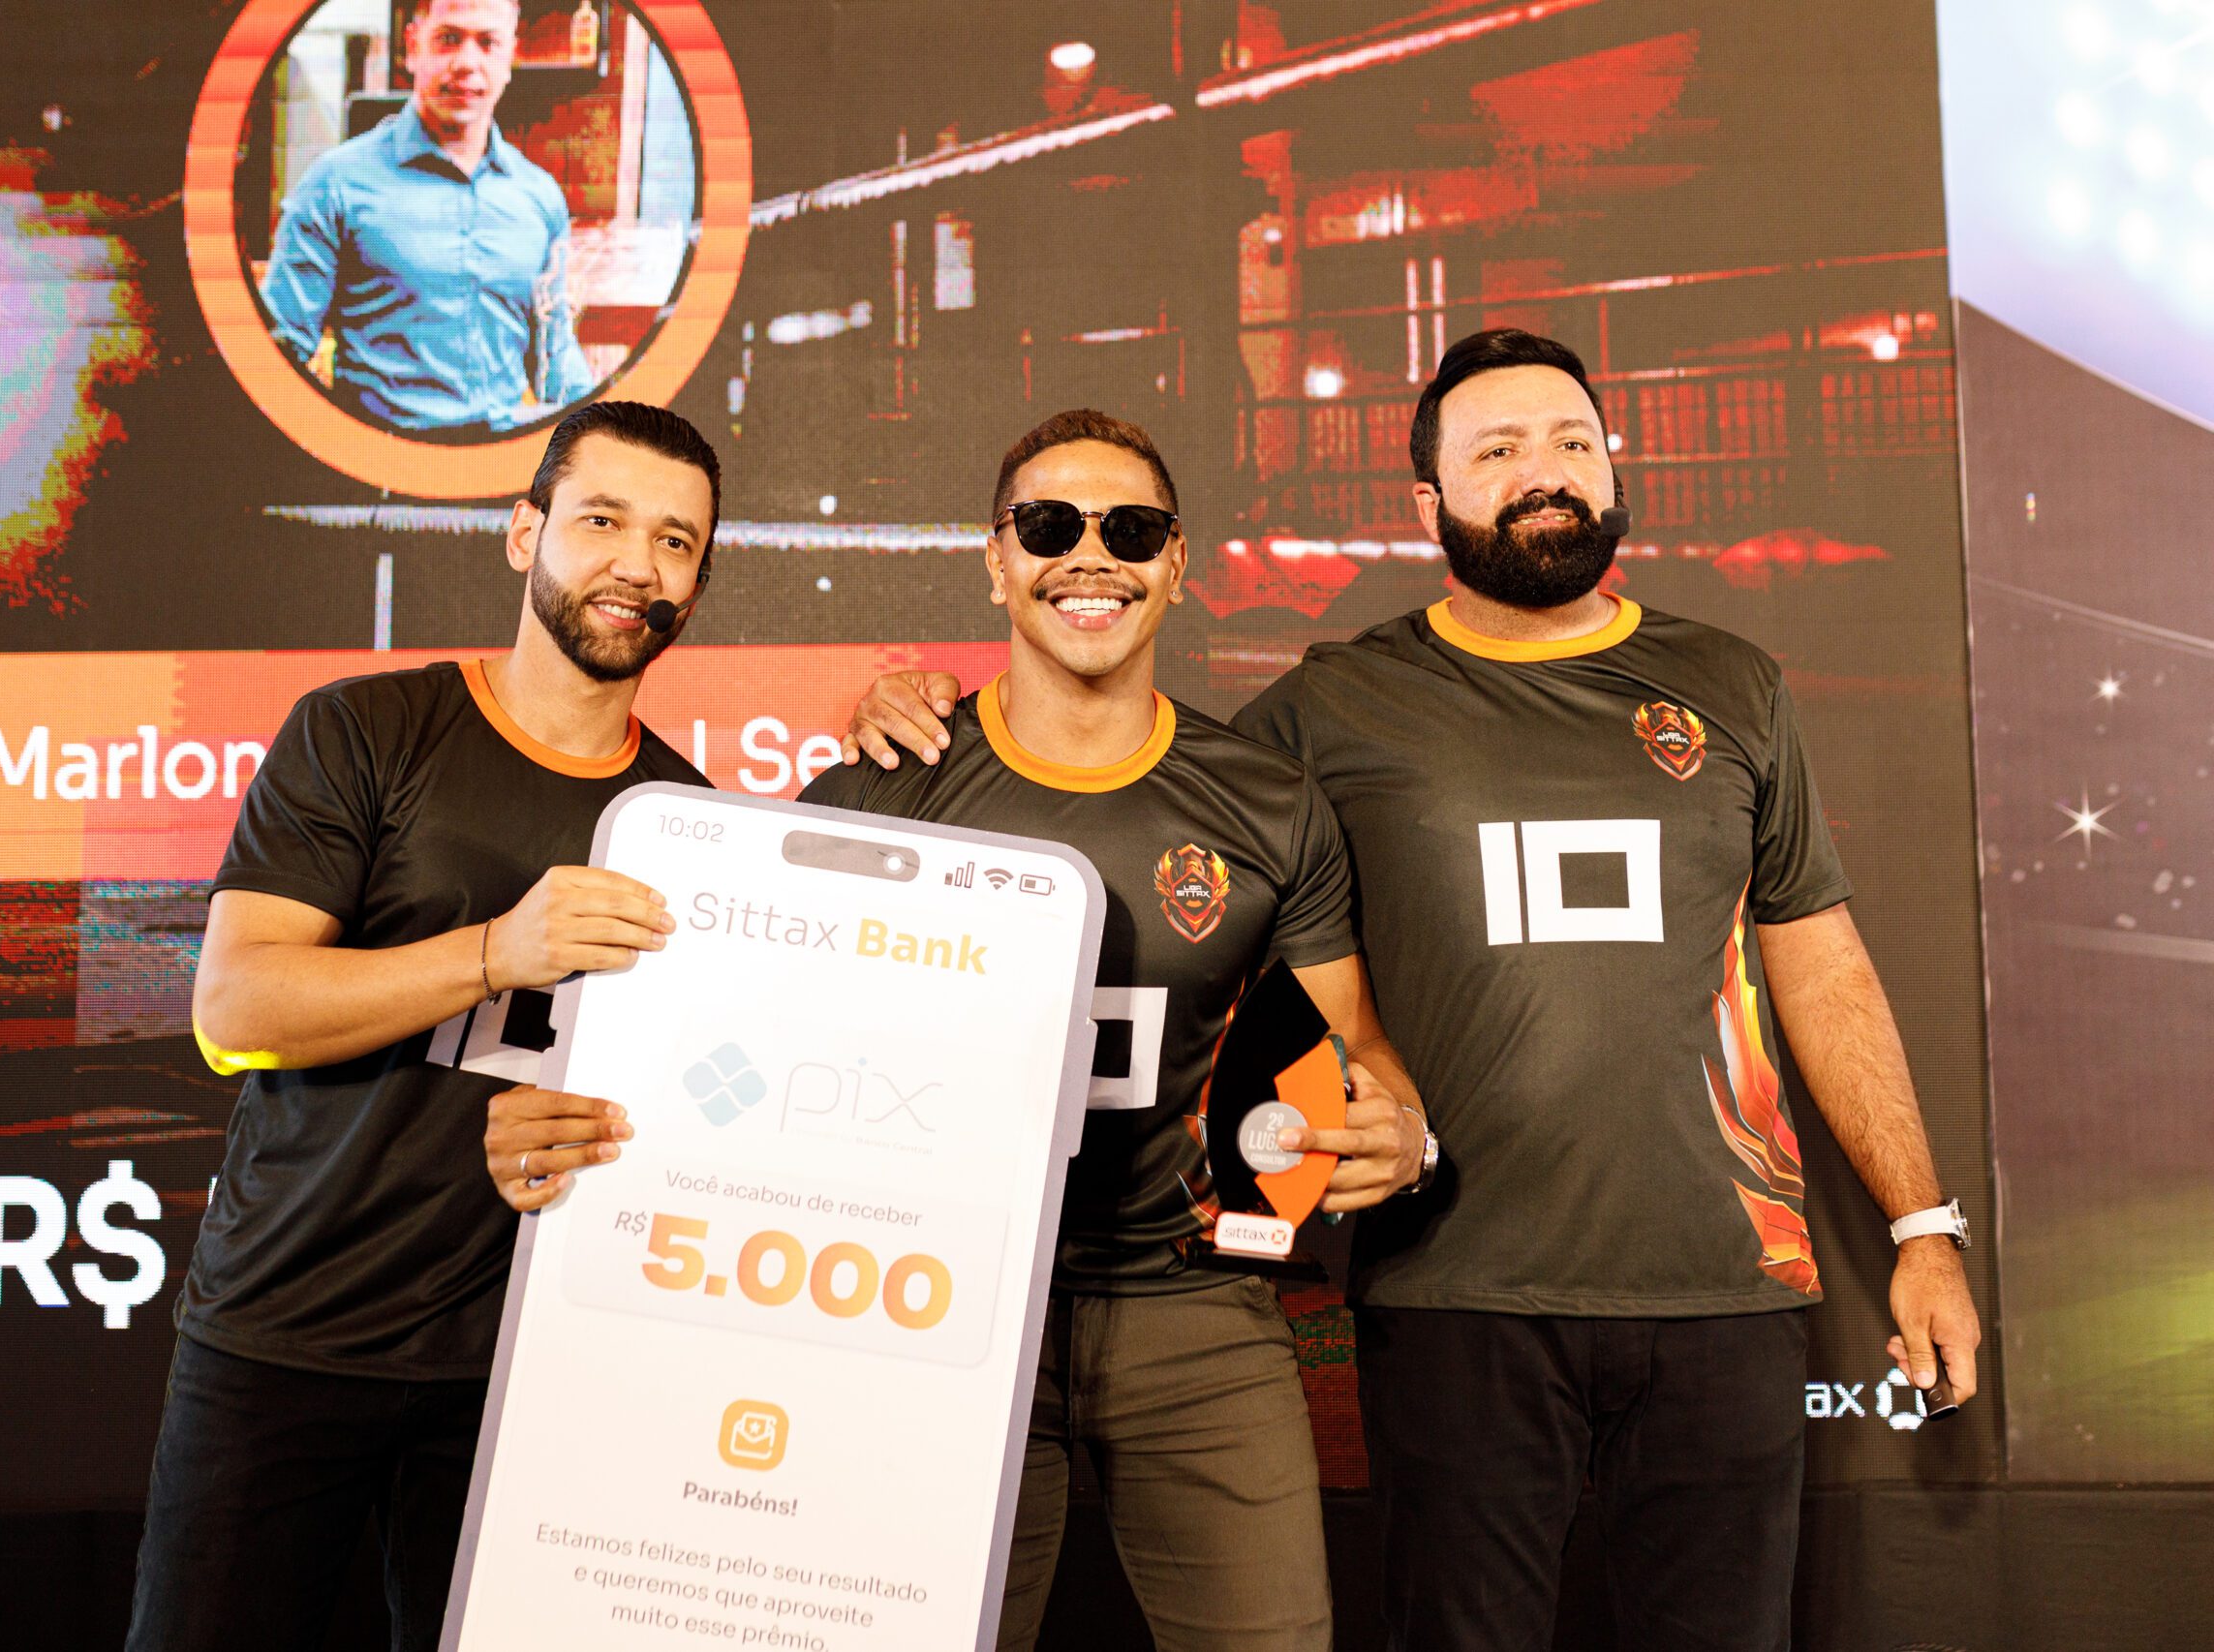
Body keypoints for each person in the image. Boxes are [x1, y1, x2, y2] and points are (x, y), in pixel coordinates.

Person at [842, 331, 1982, 1650]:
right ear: (1429, 502)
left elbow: (1823, 965)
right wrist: (914, 709)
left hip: (1728, 1287)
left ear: (1614, 473)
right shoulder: (1329, 708)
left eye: (1571, 441)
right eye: (1498, 449)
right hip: (1453, 1298)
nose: (1543, 470)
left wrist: (1920, 1225)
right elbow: (1132, 784)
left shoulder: (1735, 685)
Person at [801, 410, 1428, 1652]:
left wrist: (1400, 1126)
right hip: (935, 1306)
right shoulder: (884, 787)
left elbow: (1352, 1045)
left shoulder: (1264, 799)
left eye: (1130, 529)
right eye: (1048, 525)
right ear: (996, 559)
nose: (1089, 555)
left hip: (1195, 1307)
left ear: (1176, 563)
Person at [127, 400, 716, 1651]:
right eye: (602, 521)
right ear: (525, 533)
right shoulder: (365, 730)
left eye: (675, 541)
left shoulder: (691, 823)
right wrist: (496, 949)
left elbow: (686, 1113)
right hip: (289, 1331)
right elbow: (236, 1008)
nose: (637, 564)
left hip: (528, 1369)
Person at [260, 0, 597, 436]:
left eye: (487, 43)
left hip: (505, 461)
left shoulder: (540, 197)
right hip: (379, 463)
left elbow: (555, 355)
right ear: (412, 47)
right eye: (449, 39)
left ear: (509, 57)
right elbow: (276, 356)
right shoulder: (333, 185)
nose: (467, 63)